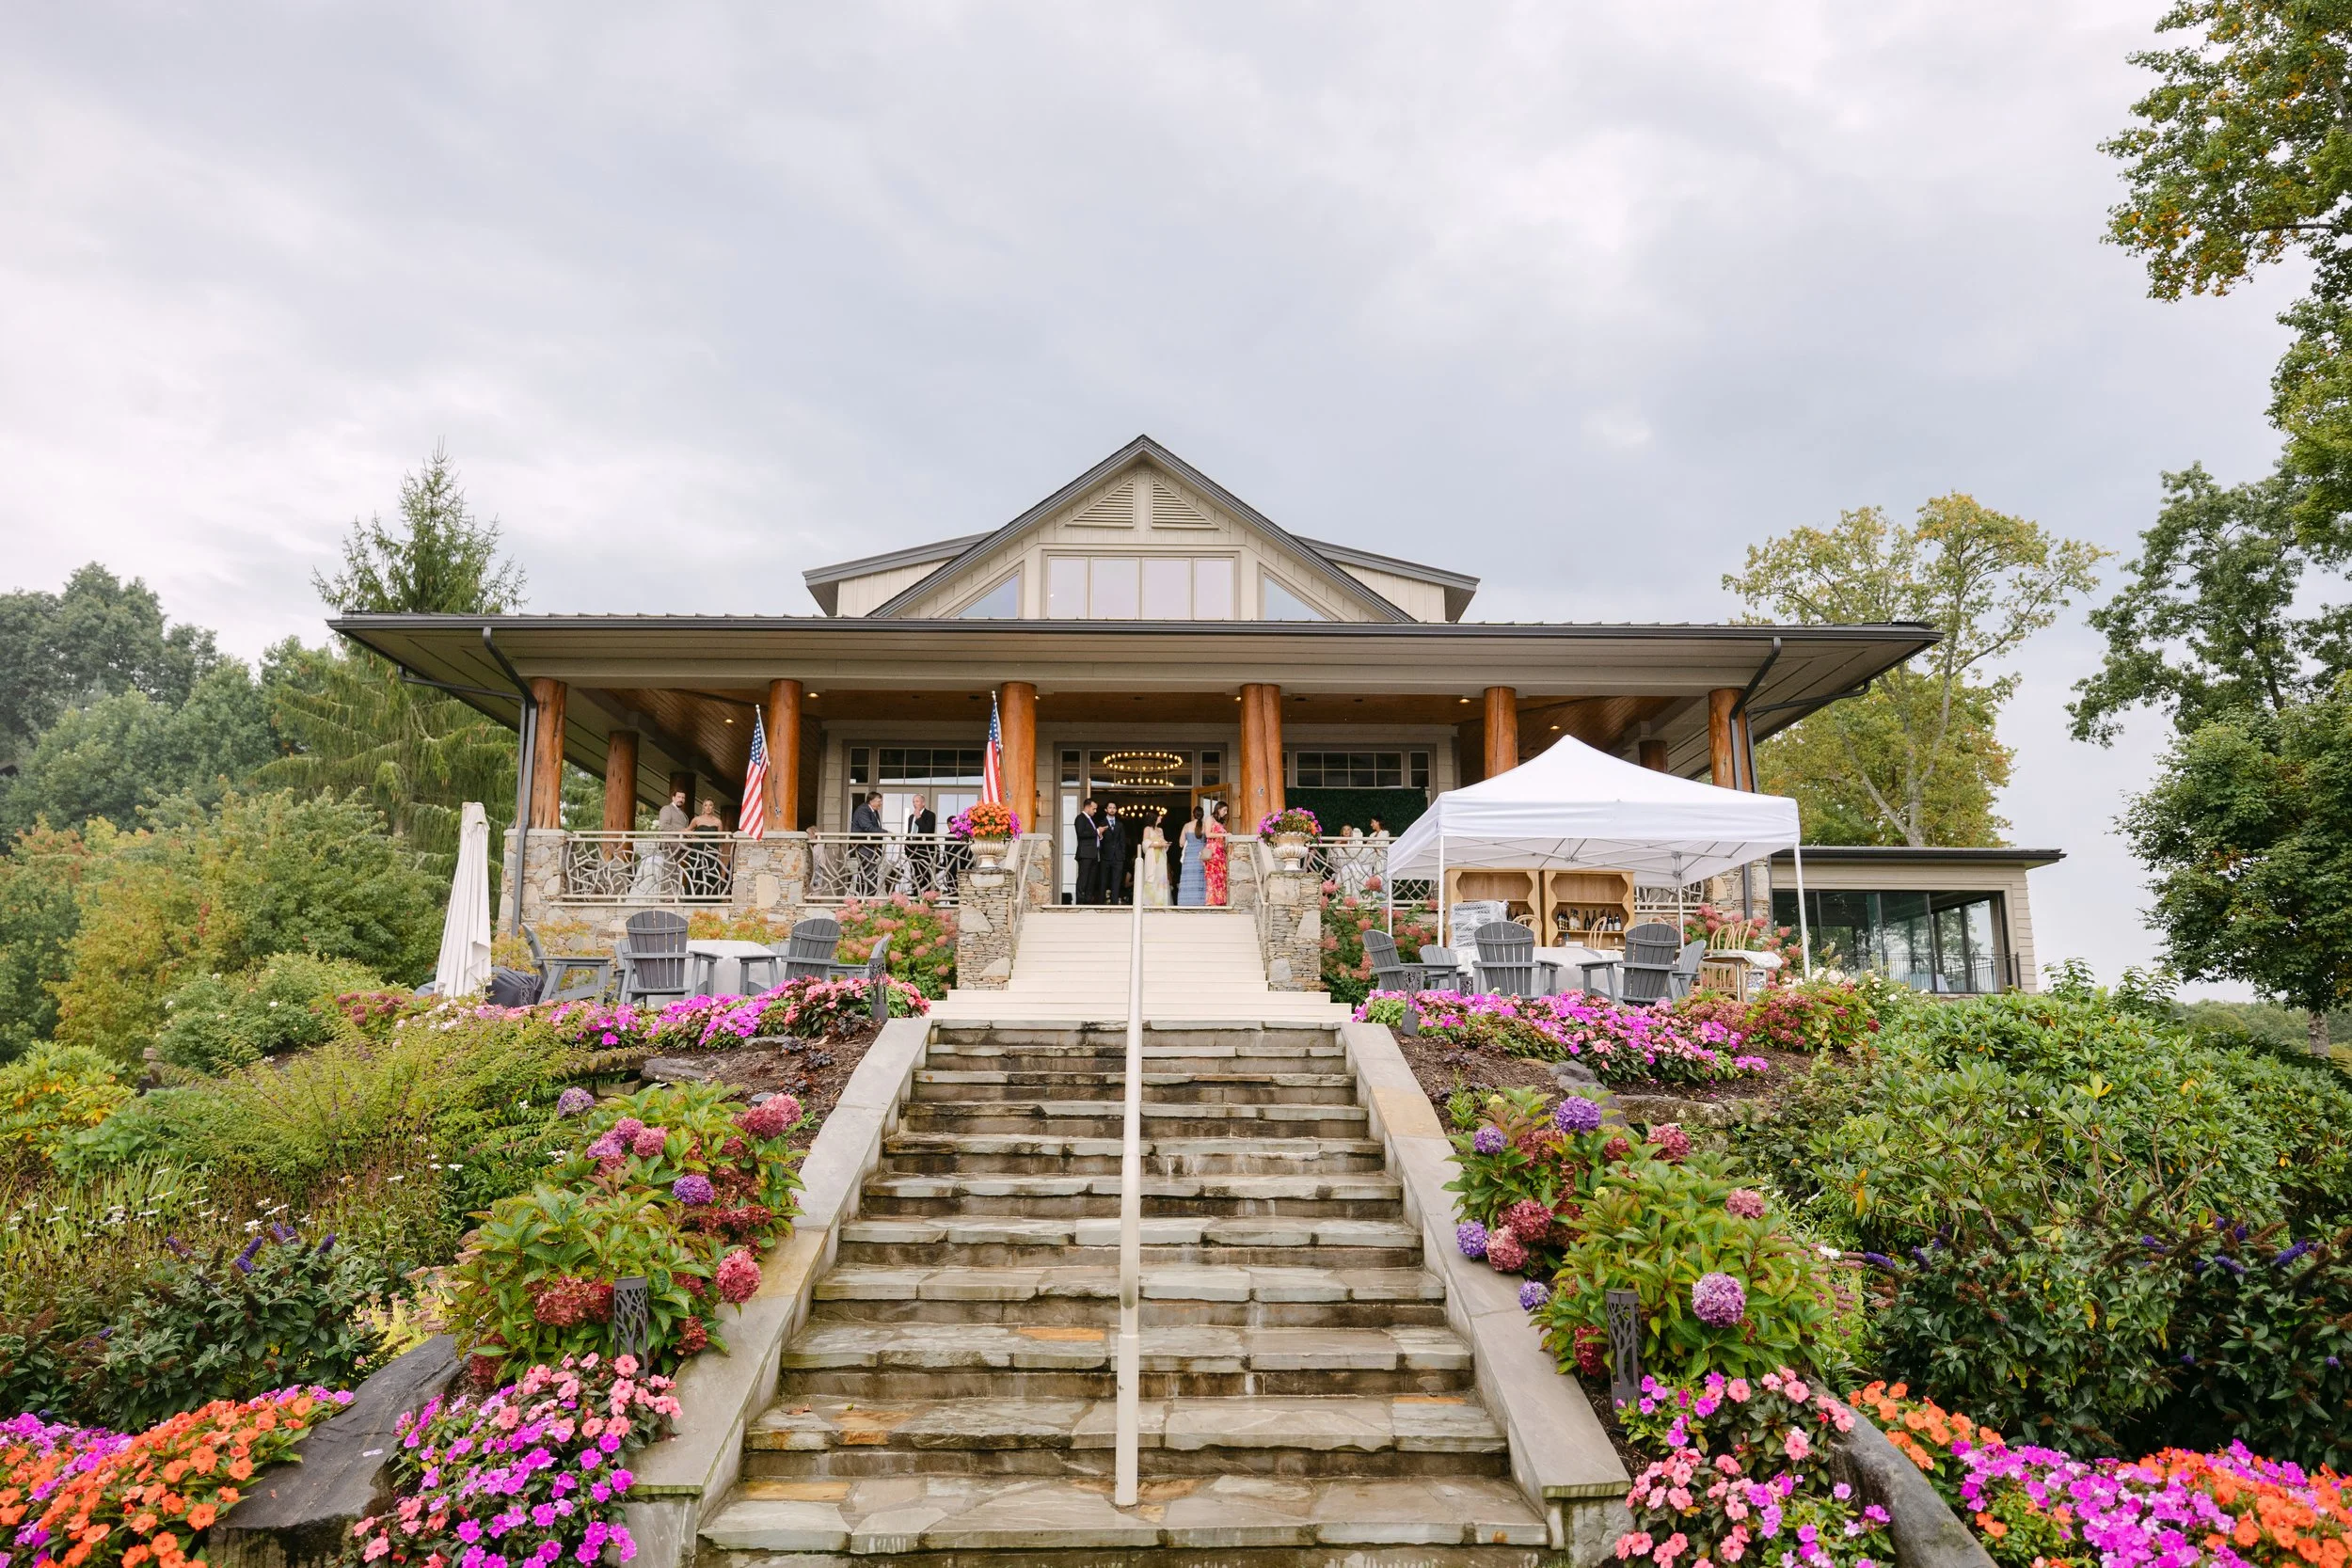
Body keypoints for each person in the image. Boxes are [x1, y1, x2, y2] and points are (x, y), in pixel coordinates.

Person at [684, 797, 730, 896]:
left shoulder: (718, 822)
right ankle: (693, 896)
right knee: (697, 872)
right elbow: (686, 830)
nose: (708, 807)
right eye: (706, 805)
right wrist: (694, 837)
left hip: (712, 850)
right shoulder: (697, 820)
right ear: (703, 807)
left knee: (712, 873)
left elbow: (721, 838)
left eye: (710, 805)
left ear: (713, 808)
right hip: (698, 849)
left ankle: (711, 897)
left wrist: (719, 849)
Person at [850, 789, 885, 895]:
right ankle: (865, 899)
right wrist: (887, 832)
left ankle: (868, 899)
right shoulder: (863, 810)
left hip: (871, 847)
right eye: (879, 801)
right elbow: (868, 827)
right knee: (867, 874)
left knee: (870, 874)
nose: (880, 803)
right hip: (864, 847)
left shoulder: (873, 811)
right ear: (871, 801)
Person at [1073, 797, 1103, 904]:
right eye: (1094, 809)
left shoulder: (1090, 820)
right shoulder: (1080, 818)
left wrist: (1099, 836)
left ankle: (1088, 900)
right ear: (1088, 807)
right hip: (1085, 853)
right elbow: (1081, 833)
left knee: (1091, 879)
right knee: (1083, 878)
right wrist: (1097, 831)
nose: (1095, 811)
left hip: (1093, 853)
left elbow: (1091, 834)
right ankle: (1080, 900)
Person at [905, 793, 937, 894]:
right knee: (914, 876)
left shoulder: (930, 815)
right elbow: (910, 832)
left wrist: (919, 817)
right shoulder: (911, 817)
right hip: (912, 851)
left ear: (923, 803)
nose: (915, 804)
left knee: (924, 876)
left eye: (917, 801)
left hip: (924, 851)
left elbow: (927, 831)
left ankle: (925, 901)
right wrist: (906, 846)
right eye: (913, 801)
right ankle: (915, 901)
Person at [1138, 809, 1171, 907]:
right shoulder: (1147, 829)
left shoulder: (1160, 830)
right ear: (1154, 817)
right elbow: (1145, 843)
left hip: (1161, 857)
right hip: (1152, 856)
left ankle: (1160, 902)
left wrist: (1165, 844)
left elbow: (1163, 841)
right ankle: (1150, 903)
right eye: (1159, 816)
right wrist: (1158, 844)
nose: (1161, 817)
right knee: (1151, 877)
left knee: (1161, 877)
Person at [1100, 802, 1129, 905]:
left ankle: (1114, 903)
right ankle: (1101, 904)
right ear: (1106, 809)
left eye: (1114, 808)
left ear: (1116, 810)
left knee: (1116, 881)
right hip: (1105, 856)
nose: (1112, 810)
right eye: (1110, 808)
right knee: (1103, 880)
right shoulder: (1101, 822)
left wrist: (1122, 855)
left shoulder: (1120, 824)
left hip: (1118, 857)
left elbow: (1122, 841)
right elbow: (1098, 841)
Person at [1176, 807, 1206, 906]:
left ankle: (1186, 901)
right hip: (1200, 853)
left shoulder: (1187, 825)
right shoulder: (1204, 825)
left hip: (1189, 855)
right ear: (1202, 815)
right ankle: (1200, 901)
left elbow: (1181, 843)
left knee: (1188, 877)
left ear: (1193, 814)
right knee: (1199, 877)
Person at [1203, 800, 1230, 906]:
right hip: (1213, 851)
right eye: (1224, 810)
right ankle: (1212, 901)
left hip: (1220, 852)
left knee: (1220, 876)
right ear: (1218, 809)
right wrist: (1224, 835)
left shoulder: (1220, 822)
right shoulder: (1210, 819)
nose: (1226, 812)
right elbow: (1208, 834)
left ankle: (1220, 900)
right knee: (1212, 876)